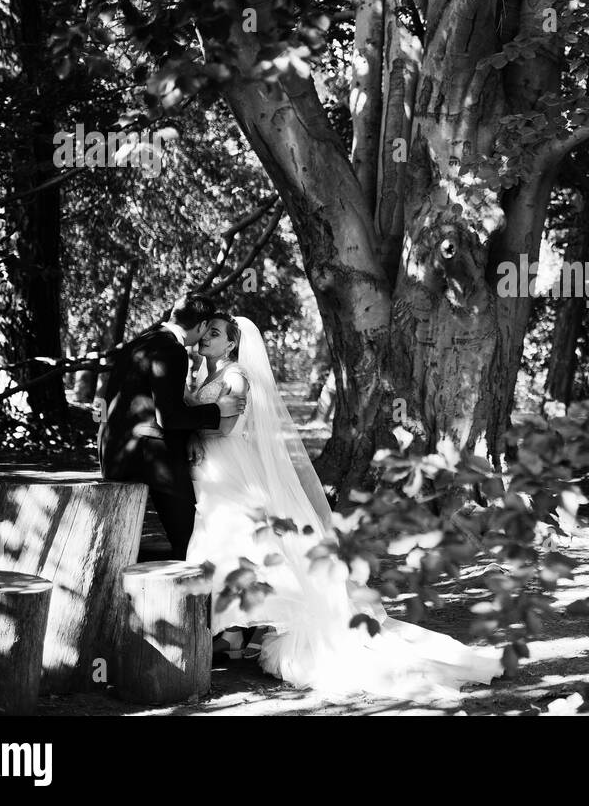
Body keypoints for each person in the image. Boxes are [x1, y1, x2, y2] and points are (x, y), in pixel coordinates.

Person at [185, 313, 503, 700]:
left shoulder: (235, 377)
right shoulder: (211, 376)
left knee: (229, 540)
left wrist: (183, 423)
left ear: (232, 344)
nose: (205, 338)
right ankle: (232, 633)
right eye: (206, 332)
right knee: (223, 539)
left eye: (214, 334)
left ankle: (232, 630)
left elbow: (228, 428)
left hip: (227, 465)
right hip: (213, 470)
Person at [99, 294, 246, 560]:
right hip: (148, 457)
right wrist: (218, 410)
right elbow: (169, 417)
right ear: (200, 326)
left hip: (114, 453)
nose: (204, 338)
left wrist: (191, 433)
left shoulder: (142, 340)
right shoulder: (172, 350)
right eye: (207, 330)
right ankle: (189, 587)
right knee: (190, 537)